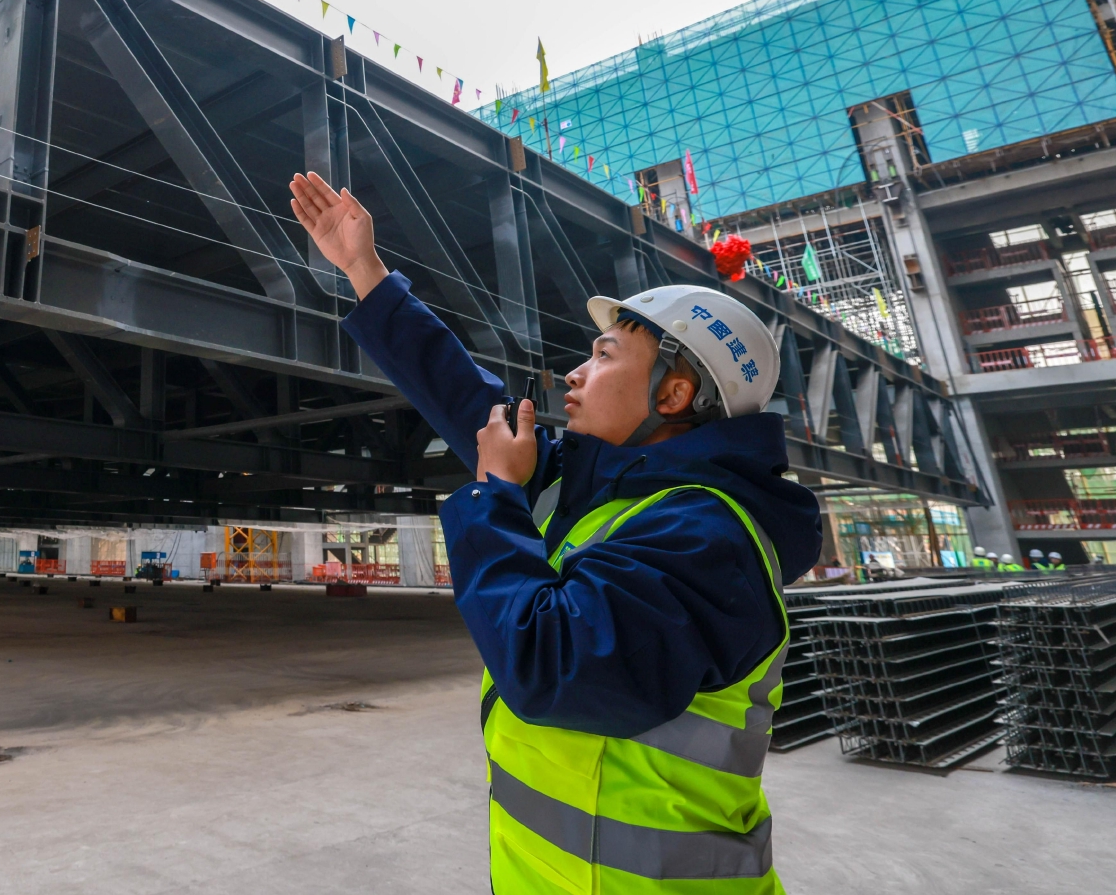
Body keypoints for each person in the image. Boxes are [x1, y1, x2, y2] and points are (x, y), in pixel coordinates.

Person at [289, 173, 819, 893]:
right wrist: (363, 270)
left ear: (673, 393)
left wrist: (498, 494)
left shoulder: (707, 535)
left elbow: (551, 661)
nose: (573, 372)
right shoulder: (598, 487)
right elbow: (466, 396)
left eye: (603, 355)